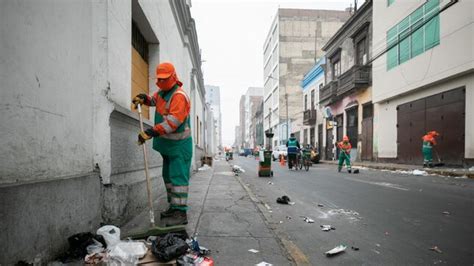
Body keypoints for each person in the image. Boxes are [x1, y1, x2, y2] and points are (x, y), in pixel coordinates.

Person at [132, 62, 192, 226]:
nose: (162, 82)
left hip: (179, 147)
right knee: (168, 177)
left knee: (178, 178)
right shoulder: (163, 93)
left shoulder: (179, 96)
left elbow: (173, 122)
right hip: (168, 147)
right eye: (160, 79)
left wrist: (152, 132)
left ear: (173, 77)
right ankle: (174, 207)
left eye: (165, 79)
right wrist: (144, 99)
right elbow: (155, 101)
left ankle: (181, 213)